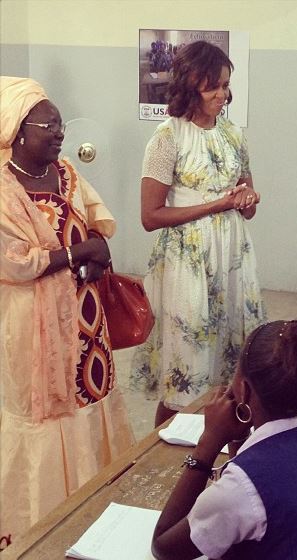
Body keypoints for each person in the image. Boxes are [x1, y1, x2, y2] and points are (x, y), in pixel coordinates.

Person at [0, 77, 135, 546]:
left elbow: (97, 228)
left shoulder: (68, 175)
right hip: (32, 319)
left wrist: (99, 257)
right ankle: (42, 515)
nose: (60, 133)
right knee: (43, 407)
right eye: (49, 125)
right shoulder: (2, 189)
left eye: (60, 125)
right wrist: (79, 254)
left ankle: (93, 494)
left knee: (88, 395)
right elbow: (17, 264)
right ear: (18, 131)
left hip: (85, 311)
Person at [151, 320, 297, 560]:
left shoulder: (241, 487)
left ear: (244, 389)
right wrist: (238, 436)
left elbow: (164, 548)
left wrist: (209, 442)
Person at [131, 41, 266, 427]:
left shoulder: (233, 135)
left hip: (233, 254)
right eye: (213, 88)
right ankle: (163, 451)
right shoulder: (167, 137)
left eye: (225, 86)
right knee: (184, 368)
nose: (222, 96)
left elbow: (250, 207)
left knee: (233, 358)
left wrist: (247, 198)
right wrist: (217, 205)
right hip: (187, 259)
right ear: (190, 87)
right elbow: (150, 216)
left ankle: (222, 445)